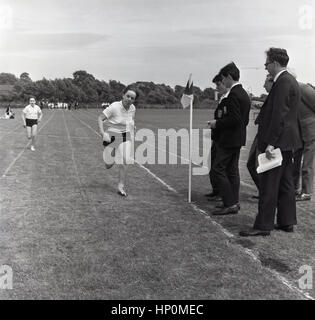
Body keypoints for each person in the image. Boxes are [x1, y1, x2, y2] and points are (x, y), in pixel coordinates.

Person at [240, 48, 302, 237]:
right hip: (286, 142)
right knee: (285, 184)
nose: (265, 66)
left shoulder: (283, 82)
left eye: (267, 63)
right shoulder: (289, 80)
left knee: (268, 184)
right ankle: (286, 221)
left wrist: (270, 143)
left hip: (277, 142)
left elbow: (279, 116)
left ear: (275, 62)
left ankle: (263, 225)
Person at [208, 62, 251, 215]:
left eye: (224, 78)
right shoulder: (243, 93)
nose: (223, 82)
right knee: (232, 171)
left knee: (218, 169)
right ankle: (233, 201)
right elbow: (243, 121)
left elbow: (235, 119)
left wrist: (217, 123)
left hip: (230, 138)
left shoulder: (234, 94)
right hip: (238, 138)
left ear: (228, 77)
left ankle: (230, 203)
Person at [98, 86, 138, 197]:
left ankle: (120, 186)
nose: (129, 99)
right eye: (128, 96)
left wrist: (133, 126)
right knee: (108, 164)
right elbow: (100, 118)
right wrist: (102, 133)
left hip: (125, 135)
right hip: (112, 135)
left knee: (126, 160)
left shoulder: (133, 108)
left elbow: (131, 120)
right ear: (123, 95)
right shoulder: (114, 107)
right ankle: (115, 154)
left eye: (132, 98)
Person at [246, 74, 274, 195]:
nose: (263, 85)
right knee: (252, 164)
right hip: (261, 135)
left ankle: (267, 193)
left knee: (263, 166)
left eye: (266, 82)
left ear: (272, 82)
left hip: (267, 137)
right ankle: (264, 191)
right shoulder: (271, 97)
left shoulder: (276, 97)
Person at [206, 73, 229, 201]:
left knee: (220, 167)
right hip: (217, 137)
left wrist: (217, 124)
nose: (217, 87)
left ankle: (222, 193)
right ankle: (216, 190)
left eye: (219, 84)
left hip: (223, 138)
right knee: (213, 165)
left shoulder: (229, 98)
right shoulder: (222, 98)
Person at [292, 82, 315, 201]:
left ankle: (306, 192)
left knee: (307, 163)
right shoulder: (290, 88)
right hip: (299, 130)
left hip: (311, 130)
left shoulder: (304, 88)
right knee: (296, 160)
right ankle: (295, 188)